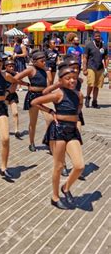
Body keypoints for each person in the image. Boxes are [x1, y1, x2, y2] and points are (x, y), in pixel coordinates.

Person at [31, 67, 84, 209]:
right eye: (68, 78)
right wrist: (50, 111)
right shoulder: (58, 94)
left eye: (74, 77)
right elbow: (35, 102)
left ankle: (65, 188)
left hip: (72, 131)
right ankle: (54, 197)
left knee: (79, 165)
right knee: (59, 166)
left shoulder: (79, 94)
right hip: (58, 130)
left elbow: (79, 106)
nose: (72, 80)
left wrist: (75, 116)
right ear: (61, 81)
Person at [14, 51, 52, 152]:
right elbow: (15, 78)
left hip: (43, 96)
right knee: (33, 121)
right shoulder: (31, 69)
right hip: (33, 96)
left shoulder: (45, 69)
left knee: (50, 119)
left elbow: (50, 82)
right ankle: (31, 142)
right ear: (35, 62)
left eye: (45, 60)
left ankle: (48, 140)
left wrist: (48, 71)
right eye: (42, 61)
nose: (44, 62)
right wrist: (26, 84)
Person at [83, 31, 108, 108]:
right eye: (96, 36)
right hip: (91, 67)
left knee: (97, 86)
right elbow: (85, 57)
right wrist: (84, 68)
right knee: (91, 84)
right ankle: (87, 97)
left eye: (99, 36)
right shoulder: (89, 45)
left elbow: (106, 58)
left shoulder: (104, 46)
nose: (98, 37)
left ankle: (94, 101)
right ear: (94, 37)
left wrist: (106, 68)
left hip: (100, 68)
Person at [4, 59, 21, 139]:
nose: (12, 68)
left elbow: (16, 84)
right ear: (6, 67)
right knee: (4, 114)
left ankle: (16, 130)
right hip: (5, 95)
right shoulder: (3, 74)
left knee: (15, 113)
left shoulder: (16, 74)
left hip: (12, 94)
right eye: (9, 66)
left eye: (13, 66)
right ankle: (4, 128)